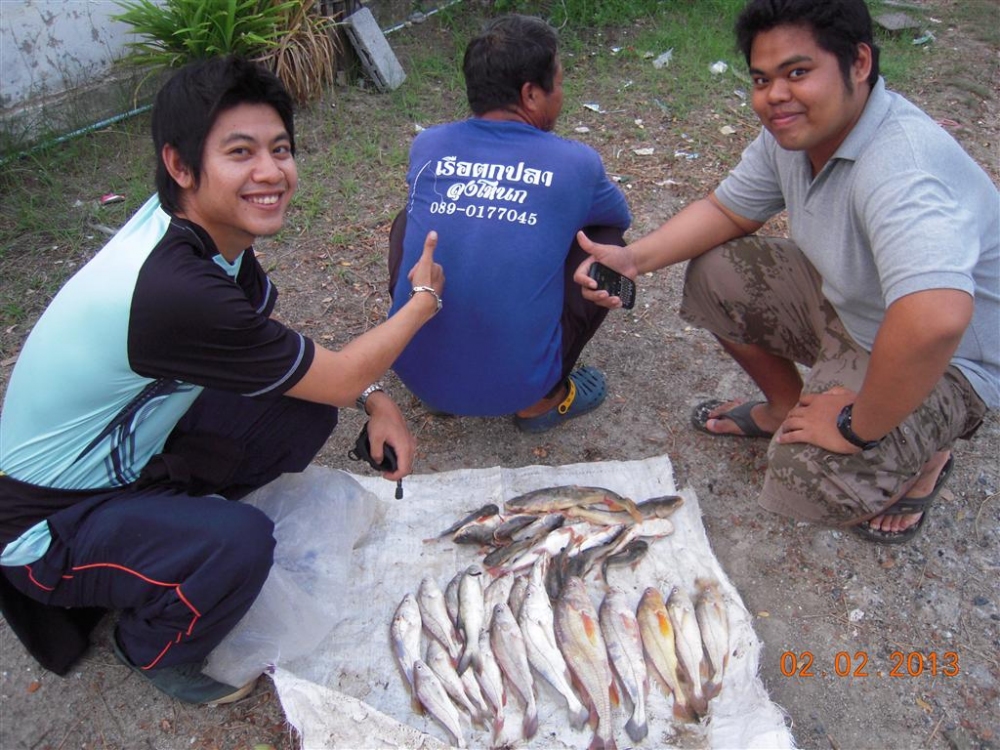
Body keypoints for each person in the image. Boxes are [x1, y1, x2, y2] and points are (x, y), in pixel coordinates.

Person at [0, 56, 444, 703]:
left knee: (303, 412)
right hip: (46, 525)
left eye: (280, 149)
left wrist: (375, 402)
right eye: (241, 152)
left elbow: (297, 363)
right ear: (180, 166)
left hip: (129, 460)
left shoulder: (209, 242)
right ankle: (153, 647)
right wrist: (424, 301)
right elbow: (344, 369)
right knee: (239, 544)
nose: (271, 172)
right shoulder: (171, 286)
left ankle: (173, 547)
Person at [574, 0, 998, 544]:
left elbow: (937, 319)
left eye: (798, 73)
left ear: (860, 63)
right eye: (762, 78)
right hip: (857, 308)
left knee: (807, 478)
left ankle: (929, 453)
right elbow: (728, 211)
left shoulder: (903, 169)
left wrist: (855, 424)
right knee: (717, 273)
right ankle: (784, 407)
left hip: (949, 362)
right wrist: (634, 259)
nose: (775, 96)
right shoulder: (797, 135)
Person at [386, 13, 632, 433]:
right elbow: (617, 218)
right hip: (517, 387)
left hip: (413, 370)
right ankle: (542, 402)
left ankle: (438, 390)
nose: (563, 93)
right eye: (560, 80)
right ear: (531, 94)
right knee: (603, 240)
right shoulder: (576, 162)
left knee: (408, 220)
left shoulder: (428, 144)